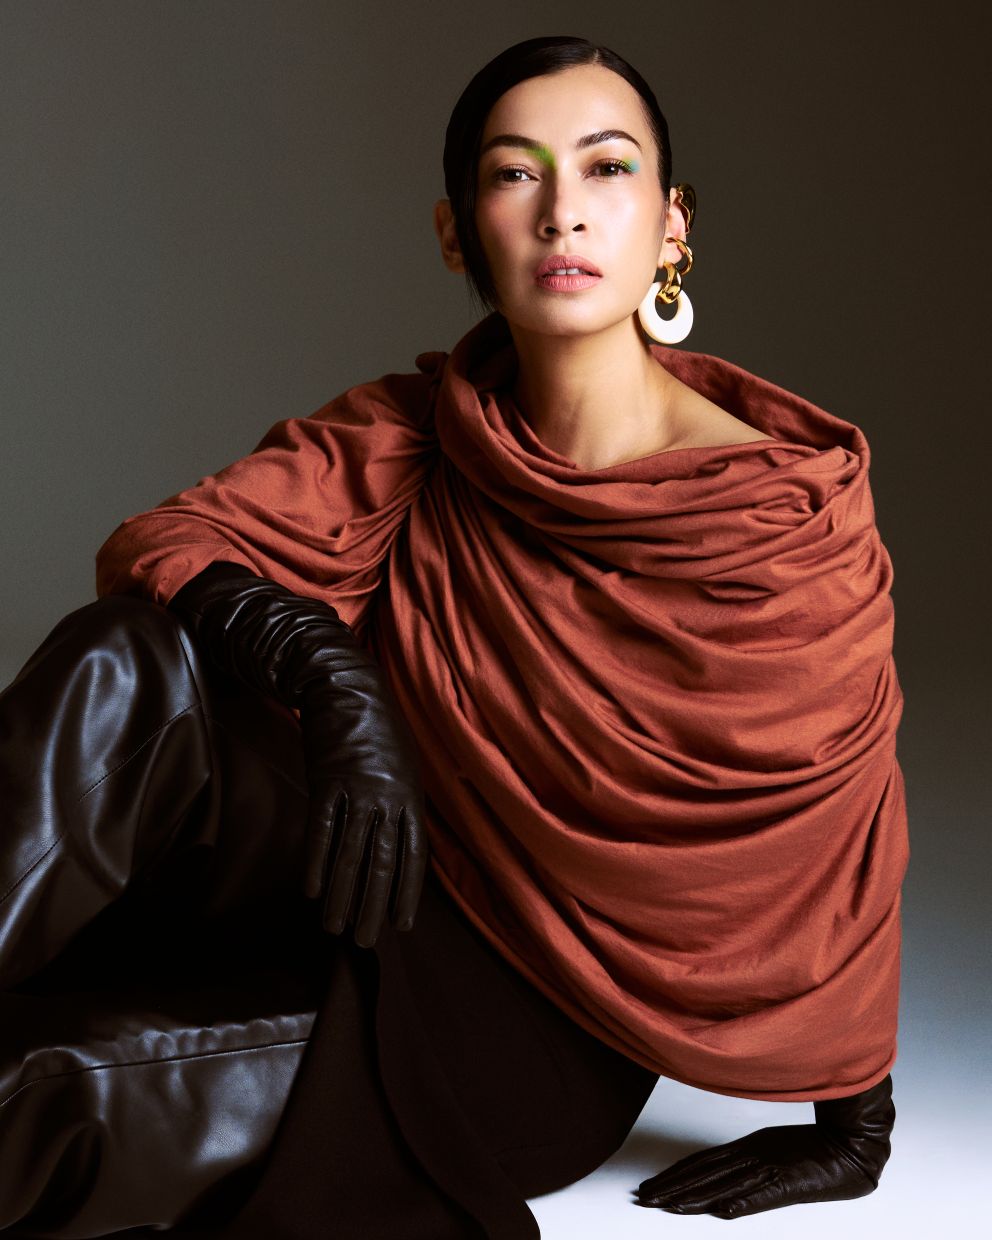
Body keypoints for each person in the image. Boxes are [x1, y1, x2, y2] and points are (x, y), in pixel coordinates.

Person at [0, 33, 906, 1236]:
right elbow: (166, 543)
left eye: (606, 168)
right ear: (454, 231)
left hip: (530, 1016)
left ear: (670, 225)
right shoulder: (419, 436)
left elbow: (825, 827)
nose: (561, 212)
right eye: (514, 173)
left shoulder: (772, 518)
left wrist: (855, 1123)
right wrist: (331, 677)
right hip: (367, 872)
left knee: (45, 1091)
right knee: (127, 655)